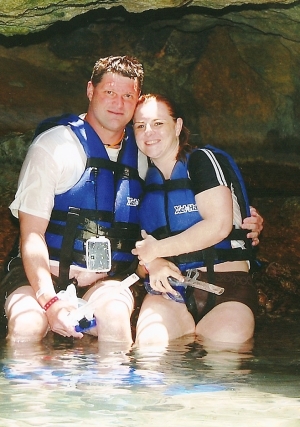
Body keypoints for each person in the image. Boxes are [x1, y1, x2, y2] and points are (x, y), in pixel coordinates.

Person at [1, 57, 263, 345]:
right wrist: (49, 301)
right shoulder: (54, 146)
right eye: (109, 92)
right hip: (40, 278)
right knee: (27, 325)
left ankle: (107, 390)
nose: (118, 103)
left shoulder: (142, 155)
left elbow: (163, 215)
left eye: (127, 96)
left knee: (113, 320)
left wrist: (243, 217)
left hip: (103, 282)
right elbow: (31, 234)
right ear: (91, 91)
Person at [132, 93, 260, 347]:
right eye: (140, 125)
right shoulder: (142, 182)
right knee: (149, 353)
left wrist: (157, 250)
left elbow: (219, 226)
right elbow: (138, 259)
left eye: (158, 123)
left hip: (227, 288)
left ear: (178, 126)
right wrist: (153, 261)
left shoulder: (203, 161)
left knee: (222, 358)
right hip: (170, 291)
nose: (149, 132)